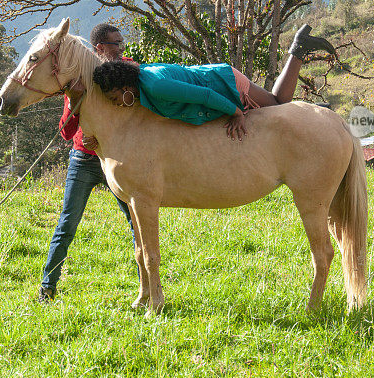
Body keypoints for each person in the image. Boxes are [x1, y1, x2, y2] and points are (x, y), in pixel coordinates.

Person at [91, 24, 335, 140]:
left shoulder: (155, 85)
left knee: (279, 103)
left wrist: (237, 112)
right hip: (216, 76)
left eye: (114, 97)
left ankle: (298, 50)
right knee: (275, 102)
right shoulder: (142, 75)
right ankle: (318, 111)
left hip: (223, 81)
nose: (116, 102)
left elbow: (204, 95)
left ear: (124, 87)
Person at [39, 24, 135, 303]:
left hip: (117, 159)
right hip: (83, 159)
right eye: (116, 43)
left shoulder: (128, 70)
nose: (121, 48)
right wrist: (74, 99)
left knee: (136, 222)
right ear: (99, 49)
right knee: (68, 223)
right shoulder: (79, 77)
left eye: (121, 42)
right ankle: (48, 286)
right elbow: (66, 132)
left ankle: (148, 286)